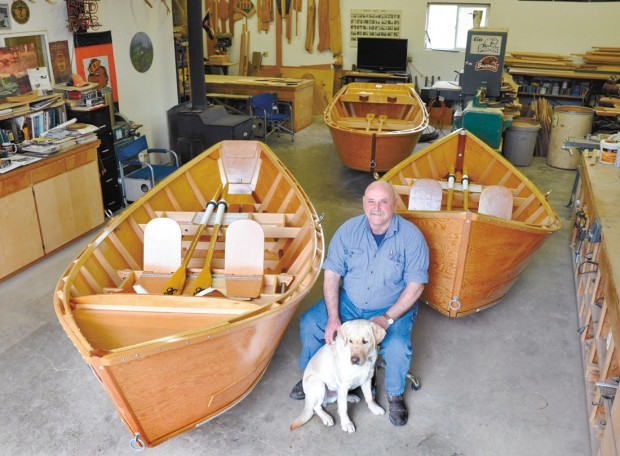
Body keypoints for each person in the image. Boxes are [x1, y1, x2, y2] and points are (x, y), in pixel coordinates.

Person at [290, 180, 429, 426]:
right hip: (350, 303)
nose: (377, 207)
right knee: (311, 323)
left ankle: (394, 395)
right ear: (363, 203)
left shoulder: (411, 238)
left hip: (391, 307)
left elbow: (416, 285)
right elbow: (332, 275)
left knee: (397, 345)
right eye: (371, 201)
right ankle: (311, 378)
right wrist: (334, 316)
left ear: (395, 204)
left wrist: (388, 318)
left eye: (384, 201)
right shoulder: (348, 230)